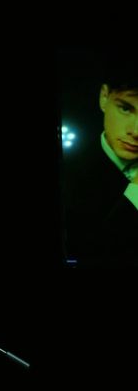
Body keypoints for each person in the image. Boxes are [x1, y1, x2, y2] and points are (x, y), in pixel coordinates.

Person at [62, 54, 138, 268]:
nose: (136, 131)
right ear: (104, 97)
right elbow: (89, 253)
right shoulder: (69, 173)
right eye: (125, 108)